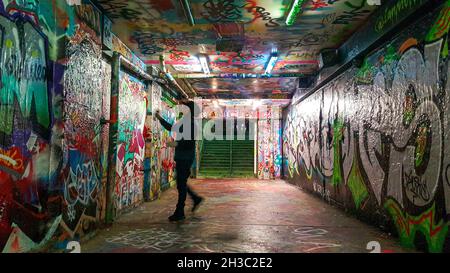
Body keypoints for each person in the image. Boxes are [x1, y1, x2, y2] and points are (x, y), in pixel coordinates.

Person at [154, 99, 204, 221]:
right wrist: (159, 118)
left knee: (181, 185)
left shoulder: (191, 124)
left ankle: (180, 211)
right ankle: (194, 199)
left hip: (185, 158)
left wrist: (175, 144)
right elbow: (172, 128)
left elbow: (188, 143)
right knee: (181, 183)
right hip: (183, 157)